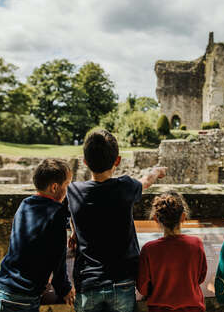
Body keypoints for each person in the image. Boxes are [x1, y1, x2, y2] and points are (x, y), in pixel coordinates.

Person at [67, 128, 166, 312]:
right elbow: (146, 181)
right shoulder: (125, 187)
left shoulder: (73, 192)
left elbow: (70, 214)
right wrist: (157, 171)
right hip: (122, 280)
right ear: (117, 161)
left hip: (88, 281)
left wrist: (73, 231)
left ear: (85, 162)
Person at [0, 159, 75, 312]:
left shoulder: (25, 204)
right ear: (54, 187)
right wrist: (65, 289)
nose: (68, 191)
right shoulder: (56, 215)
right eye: (67, 185)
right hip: (20, 300)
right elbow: (58, 260)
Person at [137, 192, 207, 312]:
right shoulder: (195, 244)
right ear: (183, 217)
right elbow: (200, 277)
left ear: (155, 219)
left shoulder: (149, 249)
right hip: (192, 308)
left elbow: (142, 288)